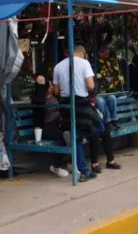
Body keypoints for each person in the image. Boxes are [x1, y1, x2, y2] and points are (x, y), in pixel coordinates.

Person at [52, 45, 121, 173]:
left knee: (87, 130)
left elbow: (56, 90)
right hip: (82, 105)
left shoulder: (58, 66)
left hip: (66, 108)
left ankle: (90, 161)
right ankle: (97, 161)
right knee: (100, 127)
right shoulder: (84, 63)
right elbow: (90, 85)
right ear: (81, 53)